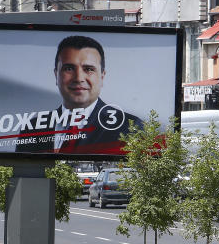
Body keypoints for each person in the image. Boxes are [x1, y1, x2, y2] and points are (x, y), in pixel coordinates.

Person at [15, 35, 144, 156]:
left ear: (102, 77)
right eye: (69, 69)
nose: (79, 78)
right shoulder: (32, 128)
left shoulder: (129, 127)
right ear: (56, 75)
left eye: (89, 69)